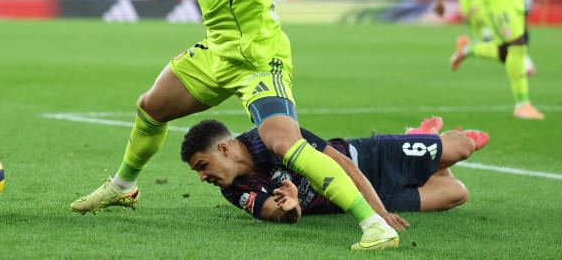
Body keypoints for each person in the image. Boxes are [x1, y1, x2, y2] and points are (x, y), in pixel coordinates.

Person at [70, 0, 399, 250]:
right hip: (218, 53)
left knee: (285, 145)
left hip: (258, 57)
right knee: (151, 107)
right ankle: (123, 186)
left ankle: (376, 227)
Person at [180, 118, 488, 222]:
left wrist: (376, 211)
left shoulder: (271, 134)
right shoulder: (233, 188)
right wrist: (290, 207)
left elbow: (340, 163)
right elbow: (272, 211)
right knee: (456, 194)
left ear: (223, 149)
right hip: (356, 199)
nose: (202, 177)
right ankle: (420, 140)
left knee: (464, 147)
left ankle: (416, 138)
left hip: (369, 160)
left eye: (202, 166)